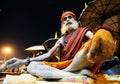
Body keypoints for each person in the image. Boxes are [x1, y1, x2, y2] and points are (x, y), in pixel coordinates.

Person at [0, 11, 95, 79]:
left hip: (81, 61)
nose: (67, 20)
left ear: (75, 20)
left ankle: (73, 72)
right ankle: (77, 74)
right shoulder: (61, 40)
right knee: (31, 66)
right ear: (63, 23)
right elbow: (48, 55)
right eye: (65, 19)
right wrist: (25, 60)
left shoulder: (83, 31)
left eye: (70, 17)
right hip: (67, 66)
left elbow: (95, 40)